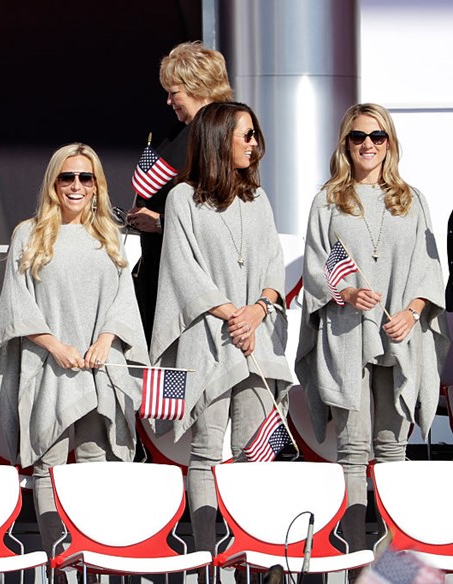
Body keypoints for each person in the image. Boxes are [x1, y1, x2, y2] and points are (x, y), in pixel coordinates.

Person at [0, 143, 148, 563]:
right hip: (48, 363)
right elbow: (16, 304)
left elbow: (123, 301)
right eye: (67, 177)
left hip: (98, 365)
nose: (76, 185)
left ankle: (90, 555)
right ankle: (58, 560)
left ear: (96, 186)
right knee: (48, 462)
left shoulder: (109, 237)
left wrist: (107, 340)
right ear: (54, 183)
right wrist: (54, 345)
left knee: (95, 459)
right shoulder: (29, 233)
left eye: (85, 178)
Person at [296, 103, 449, 559]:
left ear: (390, 143)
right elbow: (317, 261)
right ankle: (353, 551)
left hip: (399, 332)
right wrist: (342, 292)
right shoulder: (328, 199)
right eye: (358, 136)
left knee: (392, 444)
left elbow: (428, 266)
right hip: (347, 332)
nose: (368, 144)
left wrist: (414, 308)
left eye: (377, 136)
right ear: (345, 143)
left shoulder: (412, 197)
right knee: (354, 445)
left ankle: (395, 555)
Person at [149, 102, 293, 565]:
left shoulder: (259, 199)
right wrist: (235, 315)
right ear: (217, 139)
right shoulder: (180, 199)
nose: (254, 143)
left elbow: (273, 264)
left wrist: (257, 311)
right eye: (245, 134)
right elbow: (183, 271)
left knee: (257, 450)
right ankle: (209, 556)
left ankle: (254, 551)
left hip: (256, 337)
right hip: (208, 340)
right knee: (207, 449)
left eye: (254, 133)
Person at [127, 41, 233, 341]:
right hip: (159, 271)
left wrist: (160, 223)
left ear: (198, 87)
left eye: (174, 93)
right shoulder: (182, 132)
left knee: (182, 370)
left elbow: (220, 218)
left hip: (192, 287)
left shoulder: (217, 136)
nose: (168, 102)